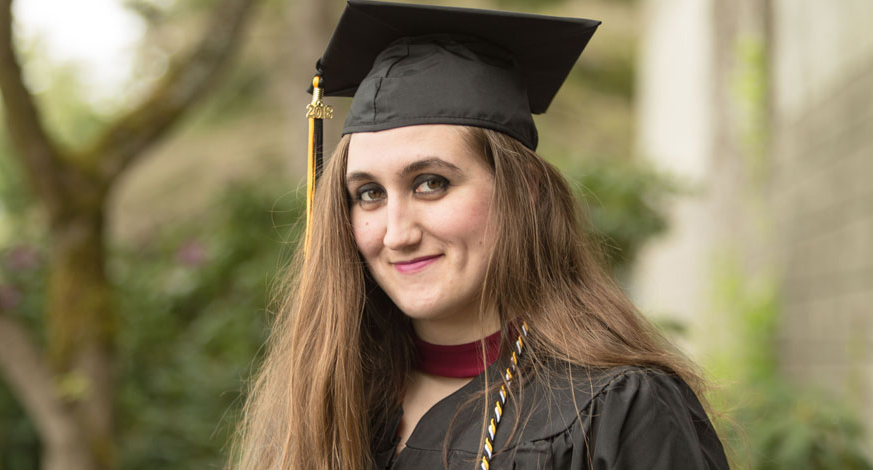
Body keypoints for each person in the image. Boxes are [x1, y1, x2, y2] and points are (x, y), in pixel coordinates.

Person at [231, 1, 729, 469]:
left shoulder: (616, 409)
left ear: (526, 192)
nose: (396, 233)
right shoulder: (330, 397)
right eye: (368, 194)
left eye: (431, 183)